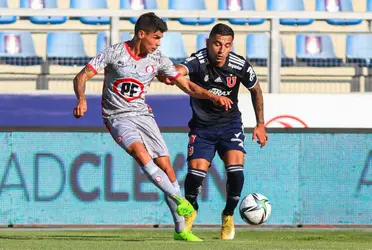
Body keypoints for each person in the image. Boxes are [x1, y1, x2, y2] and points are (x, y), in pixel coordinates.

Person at [72, 13, 232, 241]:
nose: (158, 43)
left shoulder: (157, 59)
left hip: (143, 115)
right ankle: (179, 200)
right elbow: (81, 76)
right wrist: (82, 99)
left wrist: (212, 96)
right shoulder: (114, 53)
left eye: (160, 39)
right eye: (155, 38)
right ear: (141, 34)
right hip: (117, 116)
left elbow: (186, 85)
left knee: (167, 167)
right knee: (140, 152)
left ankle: (180, 230)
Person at [159, 23, 268, 240]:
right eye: (217, 44)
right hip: (202, 128)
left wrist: (260, 124)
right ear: (209, 42)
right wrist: (172, 75)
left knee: (236, 173)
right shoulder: (199, 60)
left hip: (230, 126)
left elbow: (255, 89)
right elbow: (181, 69)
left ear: (231, 46)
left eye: (226, 45)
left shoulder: (239, 65)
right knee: (195, 176)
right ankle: (192, 209)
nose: (221, 50)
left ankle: (228, 215)